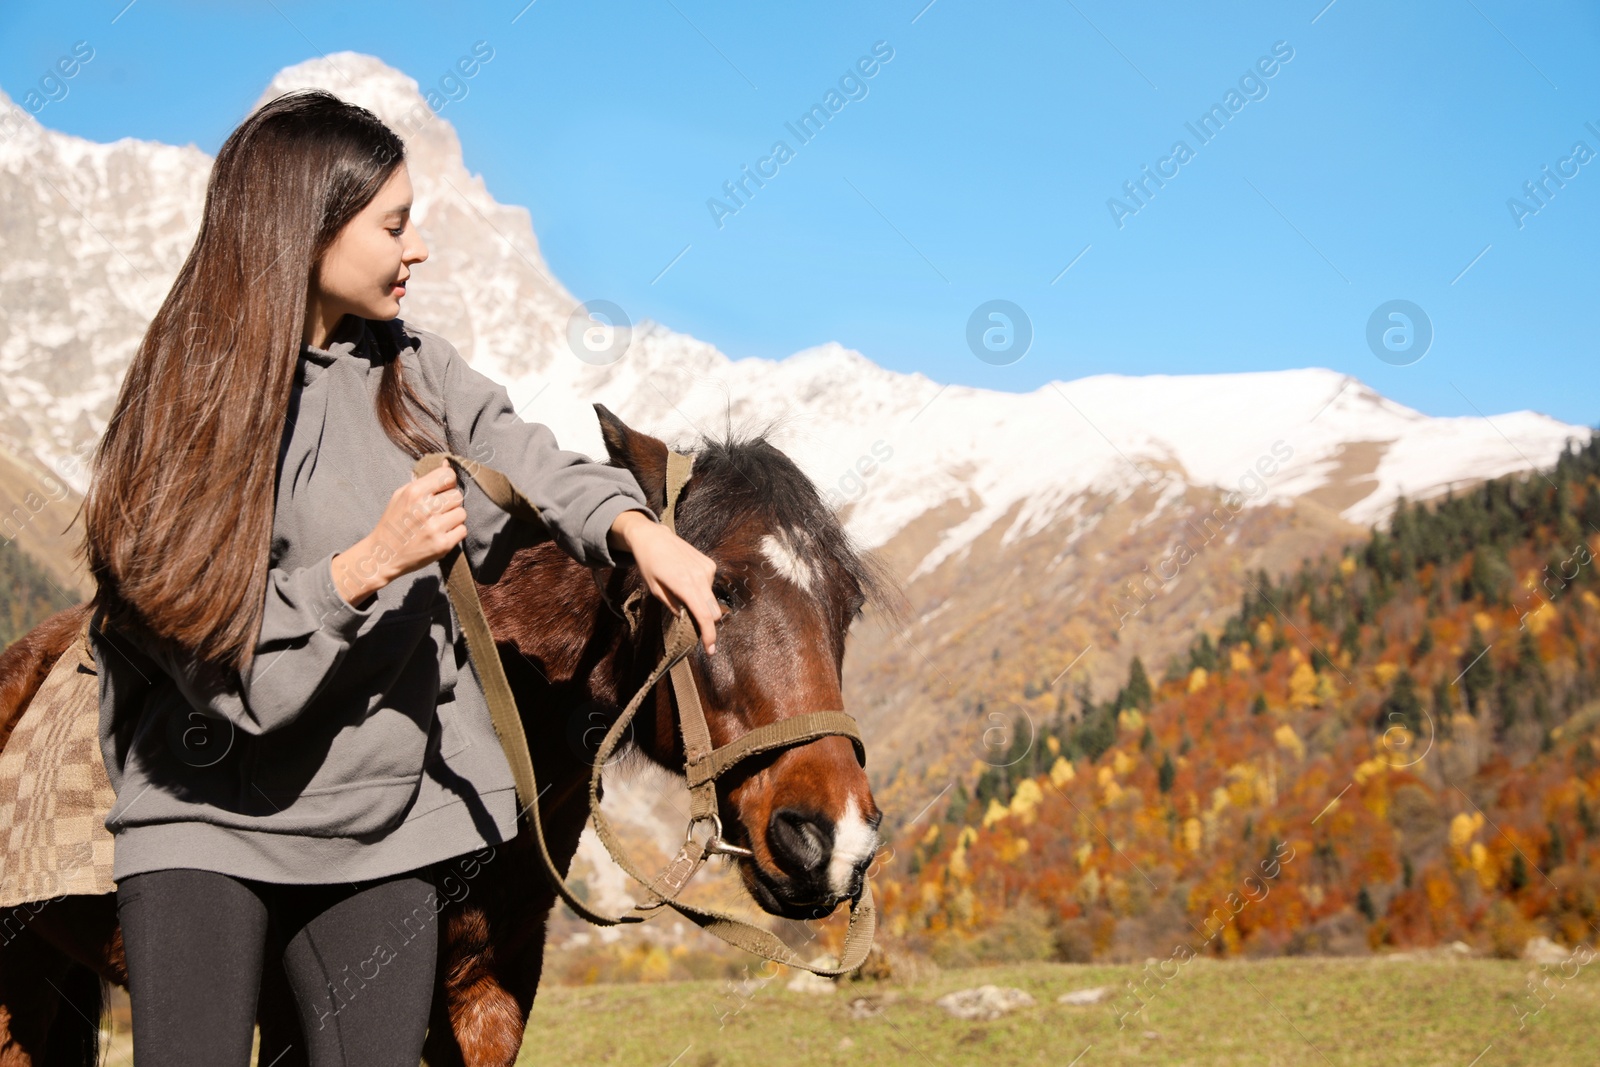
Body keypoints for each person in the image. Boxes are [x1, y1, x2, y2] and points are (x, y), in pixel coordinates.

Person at [79, 88, 721, 1065]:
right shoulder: (182, 399)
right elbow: (218, 658)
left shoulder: (412, 365)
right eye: (394, 224)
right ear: (309, 228)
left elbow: (527, 453)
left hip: (383, 825)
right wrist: (367, 565)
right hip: (202, 819)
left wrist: (635, 528)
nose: (416, 248)